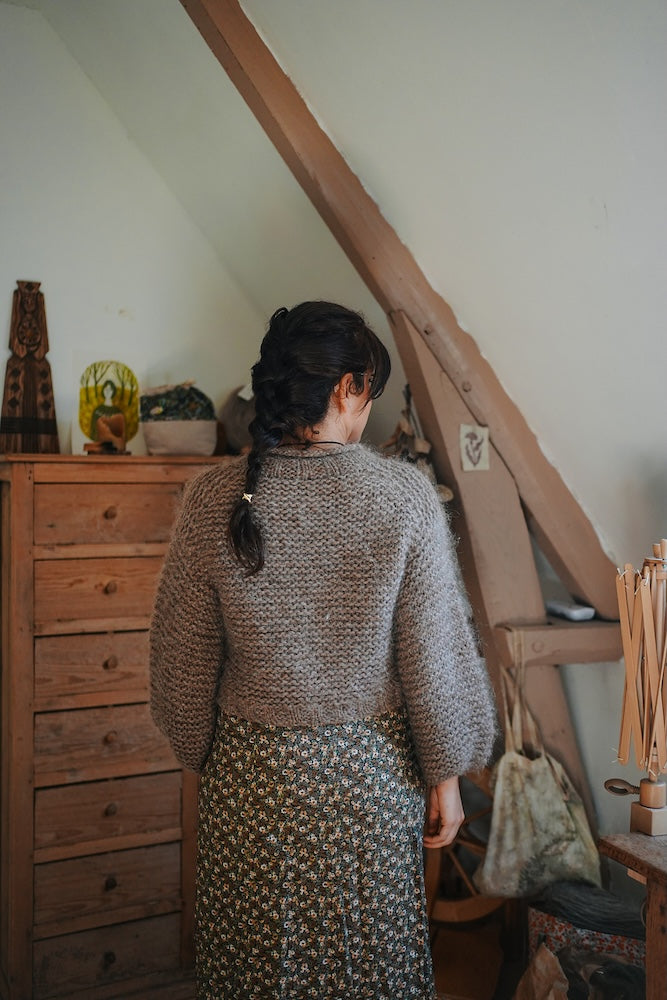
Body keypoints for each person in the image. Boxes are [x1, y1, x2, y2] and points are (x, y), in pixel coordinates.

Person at [150, 301, 497, 1000]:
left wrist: (207, 754)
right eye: (369, 390)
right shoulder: (403, 497)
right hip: (369, 785)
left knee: (256, 970)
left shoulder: (215, 498)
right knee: (368, 967)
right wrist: (446, 780)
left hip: (252, 784)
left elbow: (182, 664)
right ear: (345, 387)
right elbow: (432, 659)